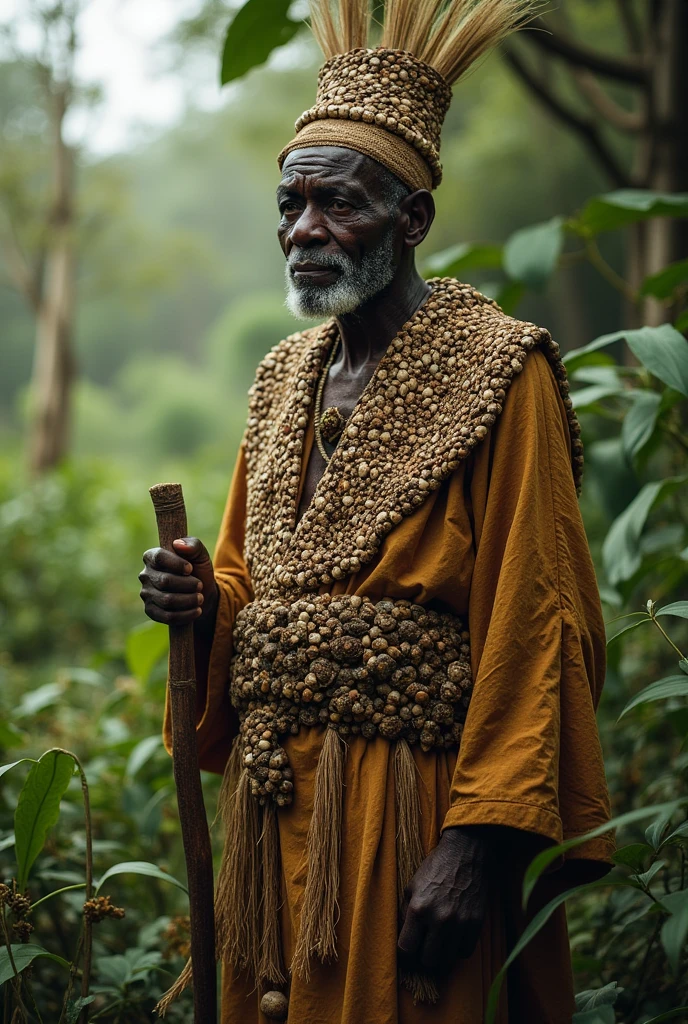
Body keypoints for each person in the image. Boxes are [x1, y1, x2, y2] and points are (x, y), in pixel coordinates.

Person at [139, 1, 613, 1021]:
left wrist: (480, 840)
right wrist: (201, 602)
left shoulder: (502, 367)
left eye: (338, 205)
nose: (304, 229)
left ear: (411, 221)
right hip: (276, 811)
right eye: (290, 203)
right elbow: (248, 579)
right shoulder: (281, 381)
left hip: (416, 809)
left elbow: (537, 619)